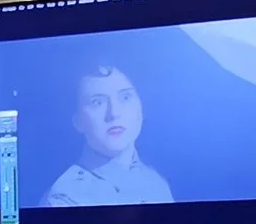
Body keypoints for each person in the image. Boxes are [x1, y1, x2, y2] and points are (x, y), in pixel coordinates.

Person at [41, 63, 173, 205]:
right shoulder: (64, 199)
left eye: (125, 97)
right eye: (97, 102)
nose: (114, 113)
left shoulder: (157, 184)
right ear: (78, 121)